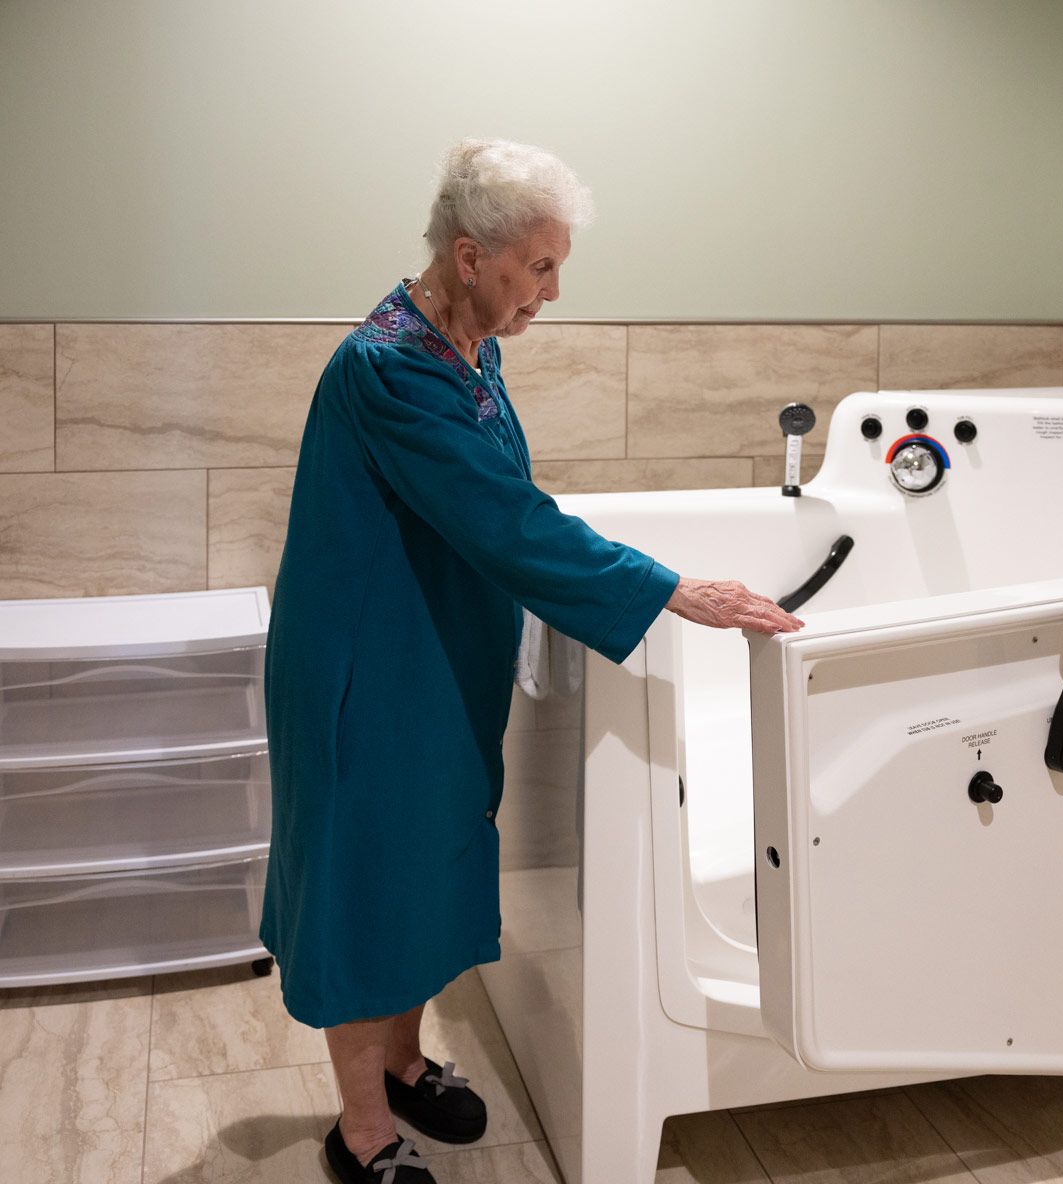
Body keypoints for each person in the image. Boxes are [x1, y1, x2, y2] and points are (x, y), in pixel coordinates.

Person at [258, 138, 802, 1184]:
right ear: (471, 257)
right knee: (367, 885)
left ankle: (406, 1062)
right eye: (539, 267)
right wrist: (667, 589)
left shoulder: (470, 350)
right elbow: (506, 520)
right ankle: (362, 1131)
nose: (552, 291)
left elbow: (506, 506)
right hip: (367, 673)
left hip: (434, 659)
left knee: (429, 863)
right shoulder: (390, 367)